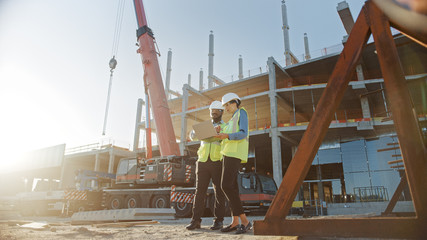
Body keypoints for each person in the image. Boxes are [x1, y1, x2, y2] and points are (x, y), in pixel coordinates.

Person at [185, 101, 227, 231]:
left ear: (221, 112)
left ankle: (218, 221)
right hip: (202, 161)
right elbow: (192, 136)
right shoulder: (205, 126)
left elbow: (224, 140)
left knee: (219, 193)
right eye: (211, 110)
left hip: (217, 161)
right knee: (199, 193)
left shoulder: (226, 126)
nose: (213, 112)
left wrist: (215, 134)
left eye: (216, 110)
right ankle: (195, 221)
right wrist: (195, 132)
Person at [216, 93, 252, 234]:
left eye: (227, 105)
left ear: (234, 102)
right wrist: (221, 131)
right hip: (228, 153)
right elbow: (227, 133)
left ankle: (245, 221)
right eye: (224, 106)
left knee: (225, 185)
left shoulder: (241, 113)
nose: (225, 108)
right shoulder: (232, 119)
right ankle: (235, 222)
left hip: (234, 153)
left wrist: (227, 135)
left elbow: (243, 133)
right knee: (232, 188)